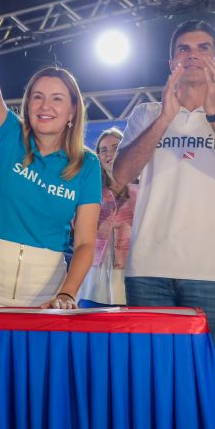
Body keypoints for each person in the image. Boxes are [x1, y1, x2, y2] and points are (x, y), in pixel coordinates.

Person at [112, 20, 215, 429]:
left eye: (203, 48)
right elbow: (121, 174)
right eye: (184, 49)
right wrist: (166, 117)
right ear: (171, 63)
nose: (193, 55)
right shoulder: (147, 113)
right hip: (149, 270)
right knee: (152, 381)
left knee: (211, 384)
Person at [0, 0, 102, 310]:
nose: (44, 105)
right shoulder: (8, 135)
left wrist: (67, 292)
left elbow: (85, 243)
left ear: (72, 112)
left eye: (57, 98)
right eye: (37, 96)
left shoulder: (87, 165)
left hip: (46, 282)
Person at [77, 127, 137, 305]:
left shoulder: (143, 189)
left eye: (115, 147)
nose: (109, 153)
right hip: (94, 275)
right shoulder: (91, 189)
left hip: (131, 273)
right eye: (103, 150)